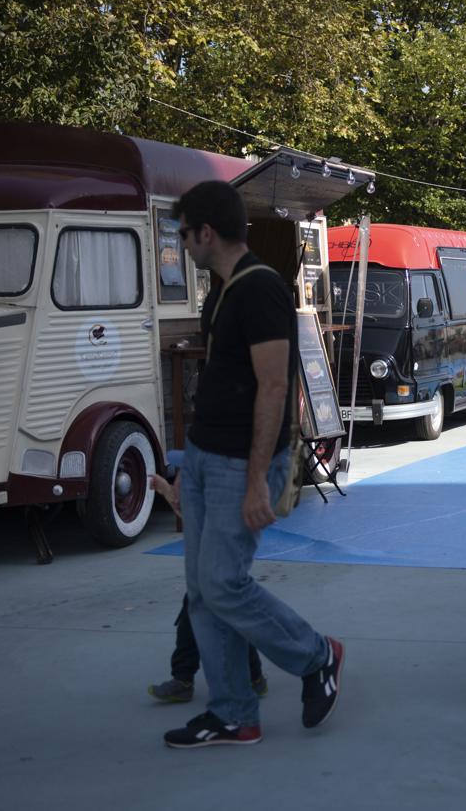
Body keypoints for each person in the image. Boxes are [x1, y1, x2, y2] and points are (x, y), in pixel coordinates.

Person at [160, 180, 342, 749]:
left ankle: (318, 656)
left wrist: (258, 479)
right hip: (208, 458)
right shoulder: (221, 293)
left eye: (185, 233)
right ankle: (235, 713)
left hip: (243, 464)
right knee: (201, 590)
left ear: (206, 232)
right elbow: (220, 387)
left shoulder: (259, 290)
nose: (182, 244)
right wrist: (189, 463)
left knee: (223, 584)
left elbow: (272, 387)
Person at [145, 476, 269, 703]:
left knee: (227, 613)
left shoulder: (224, 474)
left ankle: (252, 676)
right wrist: (168, 491)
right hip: (214, 556)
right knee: (198, 610)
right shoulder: (207, 473)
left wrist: (169, 492)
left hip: (223, 555)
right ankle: (187, 678)